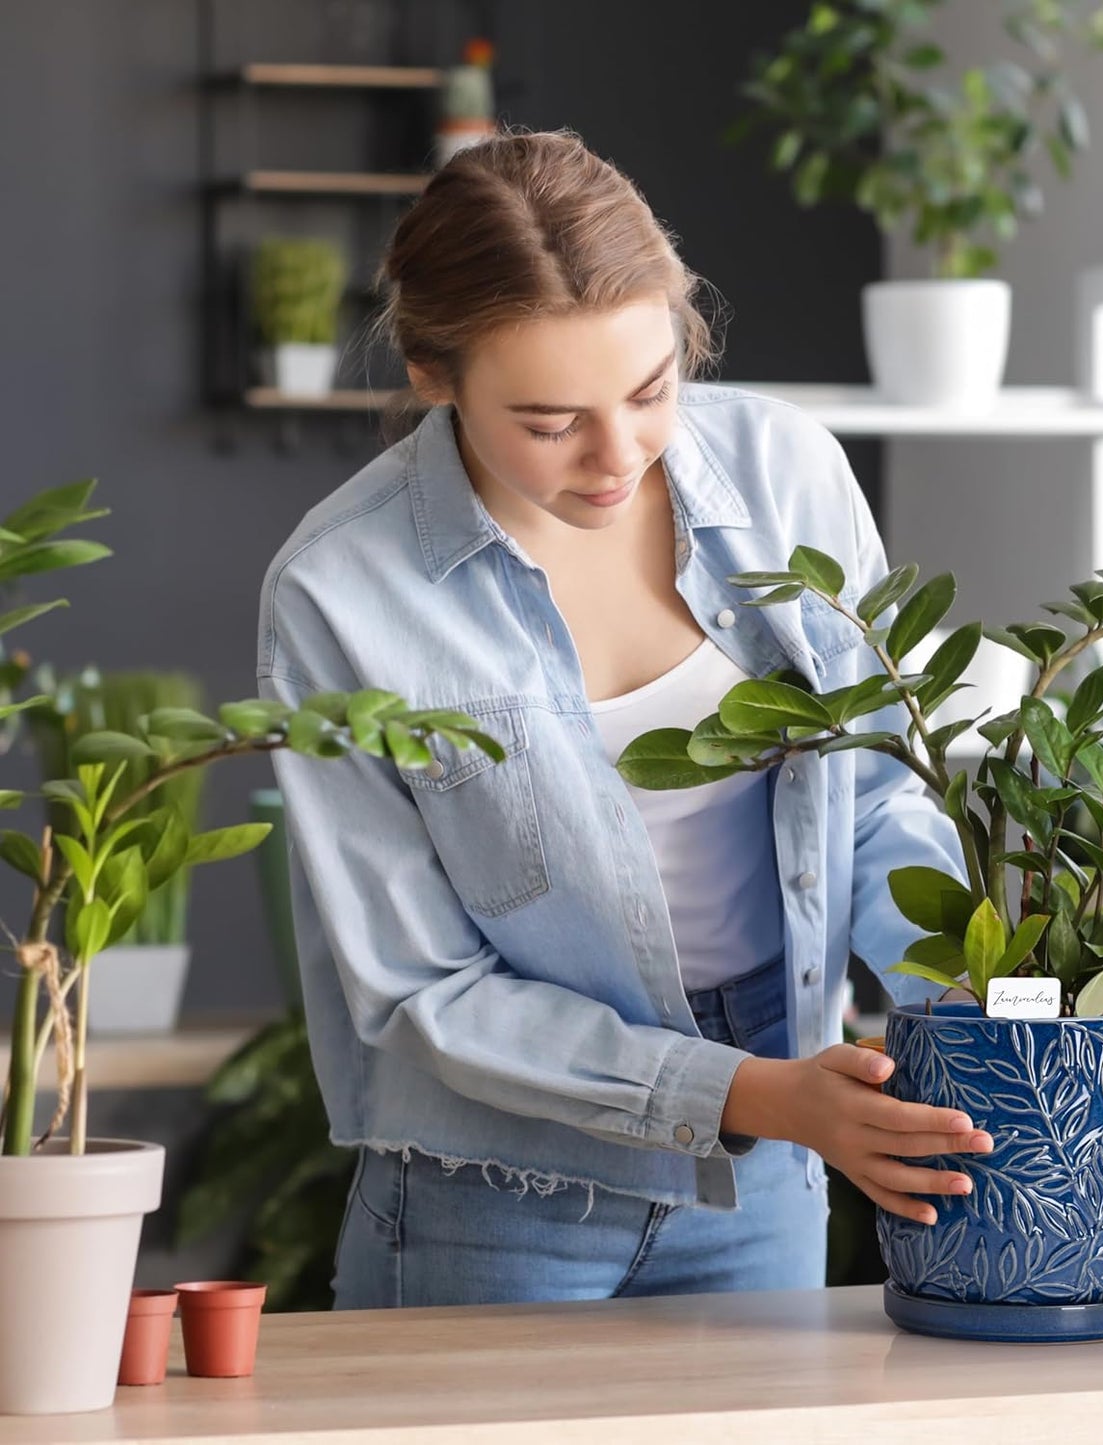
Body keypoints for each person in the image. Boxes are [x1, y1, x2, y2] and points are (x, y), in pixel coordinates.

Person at [258, 130, 992, 1310]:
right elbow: (418, 988)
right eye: (549, 421)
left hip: (776, 1164)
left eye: (651, 390)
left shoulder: (783, 470)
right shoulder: (341, 591)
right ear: (433, 376)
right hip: (492, 1195)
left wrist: (971, 991)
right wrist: (747, 1091)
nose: (616, 458)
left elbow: (872, 787)